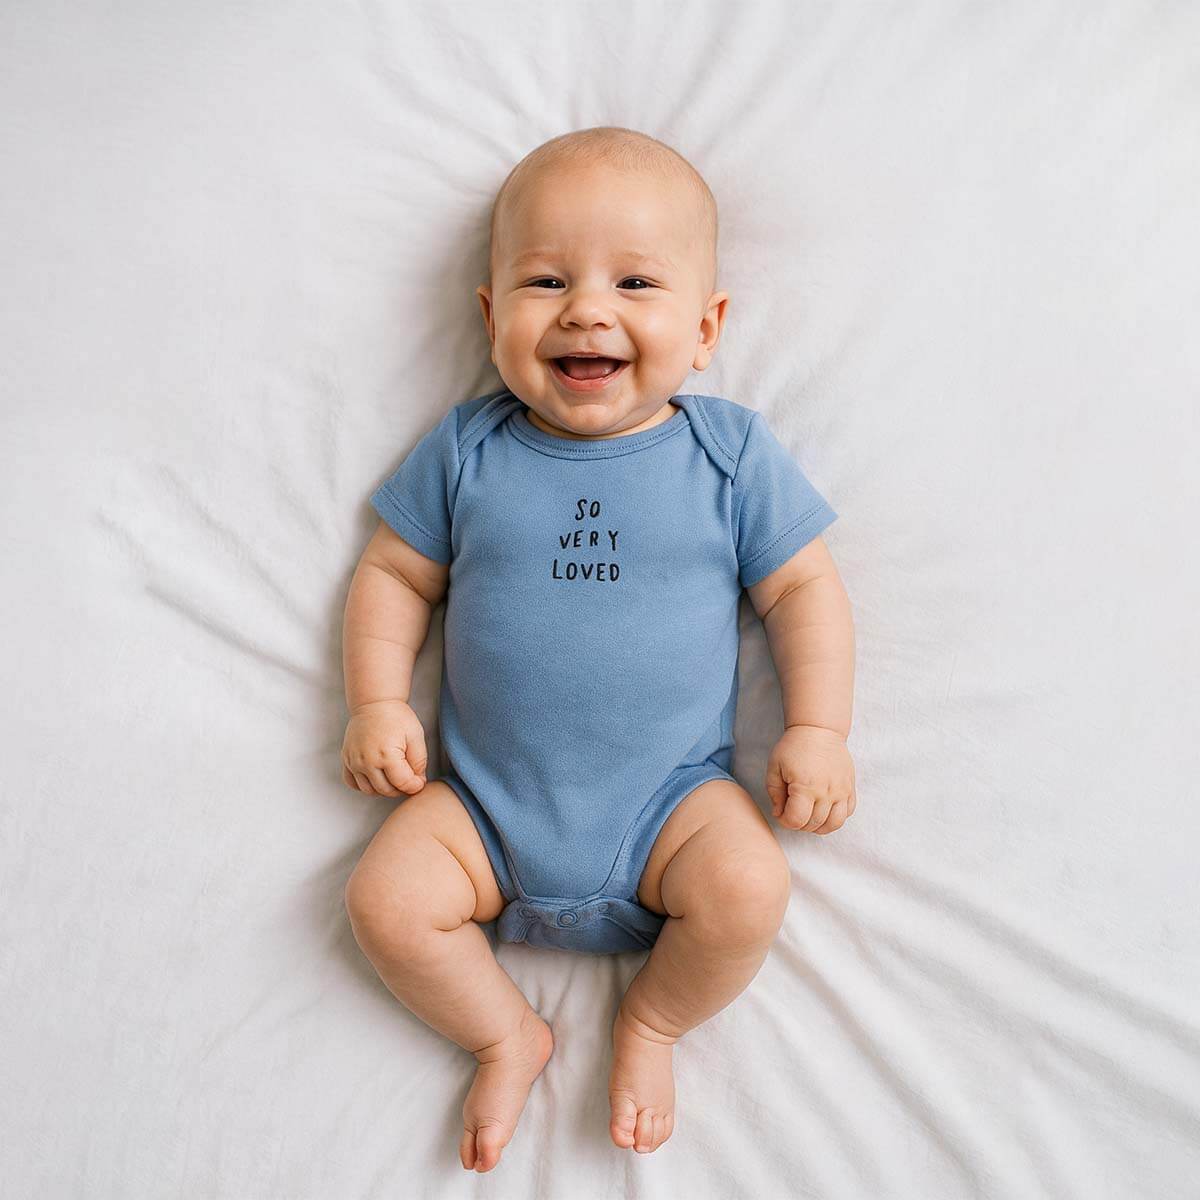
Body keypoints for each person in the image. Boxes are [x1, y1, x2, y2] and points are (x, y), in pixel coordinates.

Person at [340, 125, 857, 1172]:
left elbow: (803, 587)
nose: (586, 308)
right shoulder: (466, 450)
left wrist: (817, 728)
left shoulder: (728, 455)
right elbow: (394, 575)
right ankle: (503, 1033)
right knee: (384, 903)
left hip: (671, 808)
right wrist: (378, 703)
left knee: (749, 889)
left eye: (635, 281)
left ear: (706, 327)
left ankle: (652, 1024)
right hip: (483, 809)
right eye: (544, 279)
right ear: (491, 318)